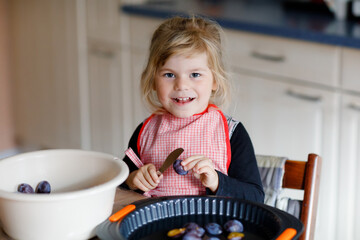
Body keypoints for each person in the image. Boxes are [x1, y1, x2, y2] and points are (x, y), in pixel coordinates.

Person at [121, 16, 264, 203]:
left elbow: (256, 198)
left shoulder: (231, 133)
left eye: (195, 74)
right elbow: (119, 187)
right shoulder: (145, 132)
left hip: (211, 228)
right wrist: (133, 180)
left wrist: (216, 181)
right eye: (169, 74)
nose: (181, 85)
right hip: (158, 228)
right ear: (153, 80)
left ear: (215, 80)